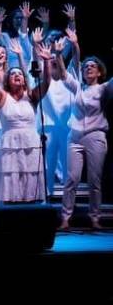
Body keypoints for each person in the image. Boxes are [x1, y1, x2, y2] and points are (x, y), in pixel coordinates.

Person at [0, 42, 52, 204]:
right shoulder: (3, 96)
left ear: (24, 80)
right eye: (13, 74)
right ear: (8, 80)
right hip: (9, 143)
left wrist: (46, 62)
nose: (17, 75)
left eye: (20, 74)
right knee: (11, 176)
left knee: (29, 176)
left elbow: (46, 83)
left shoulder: (31, 96)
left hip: (30, 142)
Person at [59, 46, 113, 230]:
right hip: (74, 137)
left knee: (94, 180)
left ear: (99, 72)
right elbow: (64, 74)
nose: (88, 68)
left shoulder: (104, 88)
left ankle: (95, 218)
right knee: (71, 178)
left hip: (95, 136)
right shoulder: (78, 88)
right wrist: (59, 54)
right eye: (85, 66)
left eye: (92, 66)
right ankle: (65, 218)